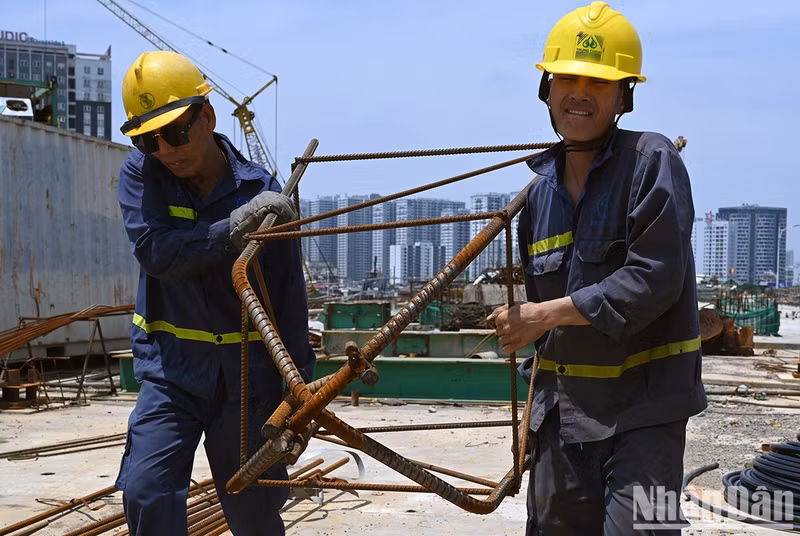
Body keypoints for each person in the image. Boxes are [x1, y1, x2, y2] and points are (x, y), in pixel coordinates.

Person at [488, 3, 706, 534]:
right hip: (563, 418)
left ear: (623, 96)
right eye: (567, 77)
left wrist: (543, 315)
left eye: (598, 80)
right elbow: (544, 335)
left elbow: (653, 277)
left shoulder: (651, 162)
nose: (579, 92)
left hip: (646, 416)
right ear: (547, 88)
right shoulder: (538, 197)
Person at [114, 50, 315, 535]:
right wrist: (231, 231)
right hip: (172, 374)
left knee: (254, 513)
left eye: (175, 131)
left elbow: (288, 295)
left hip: (246, 382)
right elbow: (157, 252)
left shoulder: (262, 191)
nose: (164, 148)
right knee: (147, 490)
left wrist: (300, 389)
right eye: (148, 138)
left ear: (206, 115)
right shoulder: (143, 175)